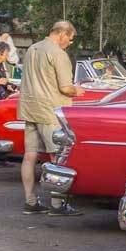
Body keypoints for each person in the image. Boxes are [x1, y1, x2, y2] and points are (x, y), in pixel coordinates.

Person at [18, 20, 83, 215]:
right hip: (50, 111)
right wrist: (77, 90)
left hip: (29, 108)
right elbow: (65, 87)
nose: (69, 43)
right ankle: (57, 204)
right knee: (58, 158)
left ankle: (30, 201)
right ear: (62, 34)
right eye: (70, 39)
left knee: (29, 156)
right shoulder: (58, 53)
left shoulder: (32, 49)